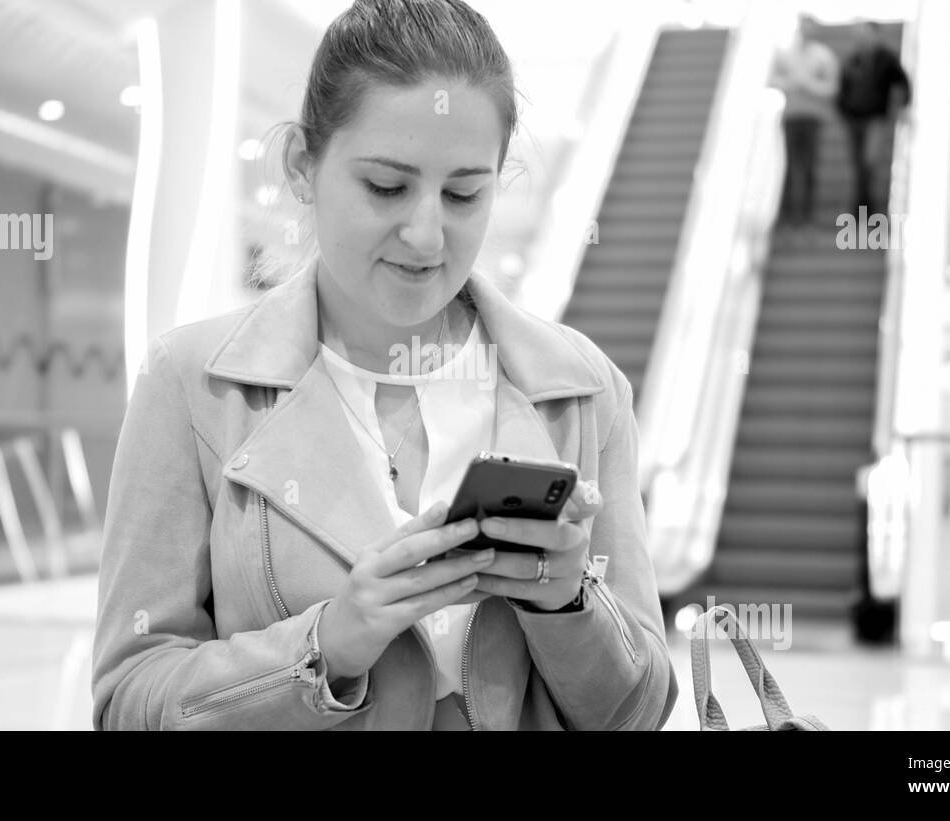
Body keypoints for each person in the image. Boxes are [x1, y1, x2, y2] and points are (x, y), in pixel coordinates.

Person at [91, 0, 678, 731]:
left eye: (464, 193)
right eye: (386, 186)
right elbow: (128, 703)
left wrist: (567, 601)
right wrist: (326, 644)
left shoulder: (583, 391)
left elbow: (640, 711)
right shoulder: (191, 384)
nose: (427, 234)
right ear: (303, 166)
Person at [771, 15, 839, 229]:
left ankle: (807, 213)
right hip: (791, 115)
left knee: (809, 164)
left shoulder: (823, 56)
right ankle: (786, 214)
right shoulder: (786, 53)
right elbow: (773, 79)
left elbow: (832, 88)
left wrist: (808, 85)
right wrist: (792, 83)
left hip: (813, 117)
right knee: (789, 164)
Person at [837, 22, 911, 218]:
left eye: (866, 34)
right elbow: (843, 88)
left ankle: (866, 210)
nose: (862, 38)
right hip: (853, 120)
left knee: (869, 162)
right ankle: (861, 208)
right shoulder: (853, 59)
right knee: (858, 164)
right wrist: (843, 110)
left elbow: (903, 82)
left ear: (876, 35)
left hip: (876, 118)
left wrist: (904, 107)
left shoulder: (886, 59)